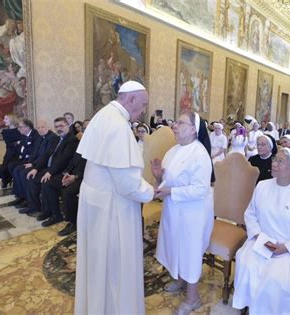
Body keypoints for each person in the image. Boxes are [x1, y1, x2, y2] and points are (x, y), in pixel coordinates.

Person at [74, 81, 154, 314]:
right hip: (111, 208)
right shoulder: (118, 126)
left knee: (97, 263)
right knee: (113, 267)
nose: (143, 111)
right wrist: (151, 191)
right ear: (130, 100)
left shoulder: (103, 115)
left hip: (96, 201)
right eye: (142, 105)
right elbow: (127, 184)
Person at [233, 147, 290, 314]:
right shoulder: (262, 186)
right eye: (275, 159)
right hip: (261, 242)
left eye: (280, 161)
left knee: (278, 279)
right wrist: (260, 237)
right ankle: (252, 307)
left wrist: (286, 247)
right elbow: (250, 214)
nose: (273, 163)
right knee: (247, 263)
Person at [151, 110, 214, 315]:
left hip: (193, 213)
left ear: (194, 129)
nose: (175, 126)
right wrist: (159, 175)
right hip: (174, 209)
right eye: (176, 122)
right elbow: (168, 180)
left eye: (180, 123)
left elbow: (200, 190)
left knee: (190, 252)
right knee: (174, 244)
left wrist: (170, 191)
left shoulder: (199, 154)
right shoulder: (174, 150)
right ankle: (179, 279)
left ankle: (192, 298)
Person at [25, 117, 79, 222]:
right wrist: (36, 168)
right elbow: (46, 155)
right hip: (53, 169)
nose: (59, 128)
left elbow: (64, 159)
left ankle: (56, 215)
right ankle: (44, 210)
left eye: (61, 126)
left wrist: (50, 172)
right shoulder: (58, 139)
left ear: (67, 125)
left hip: (64, 171)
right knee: (34, 177)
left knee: (47, 183)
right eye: (56, 126)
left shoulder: (71, 140)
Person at [41, 151, 86, 236]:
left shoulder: (95, 148)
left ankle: (74, 223)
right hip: (70, 175)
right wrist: (66, 173)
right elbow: (72, 162)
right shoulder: (81, 146)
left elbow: (90, 169)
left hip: (82, 178)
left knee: (67, 193)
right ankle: (56, 215)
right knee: (47, 183)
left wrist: (75, 177)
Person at [0, 114, 21, 188]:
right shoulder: (5, 132)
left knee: (13, 167)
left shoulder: (20, 130)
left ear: (12, 119)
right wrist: (17, 142)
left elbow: (23, 140)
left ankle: (16, 183)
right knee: (3, 169)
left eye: (6, 119)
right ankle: (5, 180)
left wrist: (17, 143)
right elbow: (9, 143)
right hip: (9, 153)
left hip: (19, 152)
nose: (4, 120)